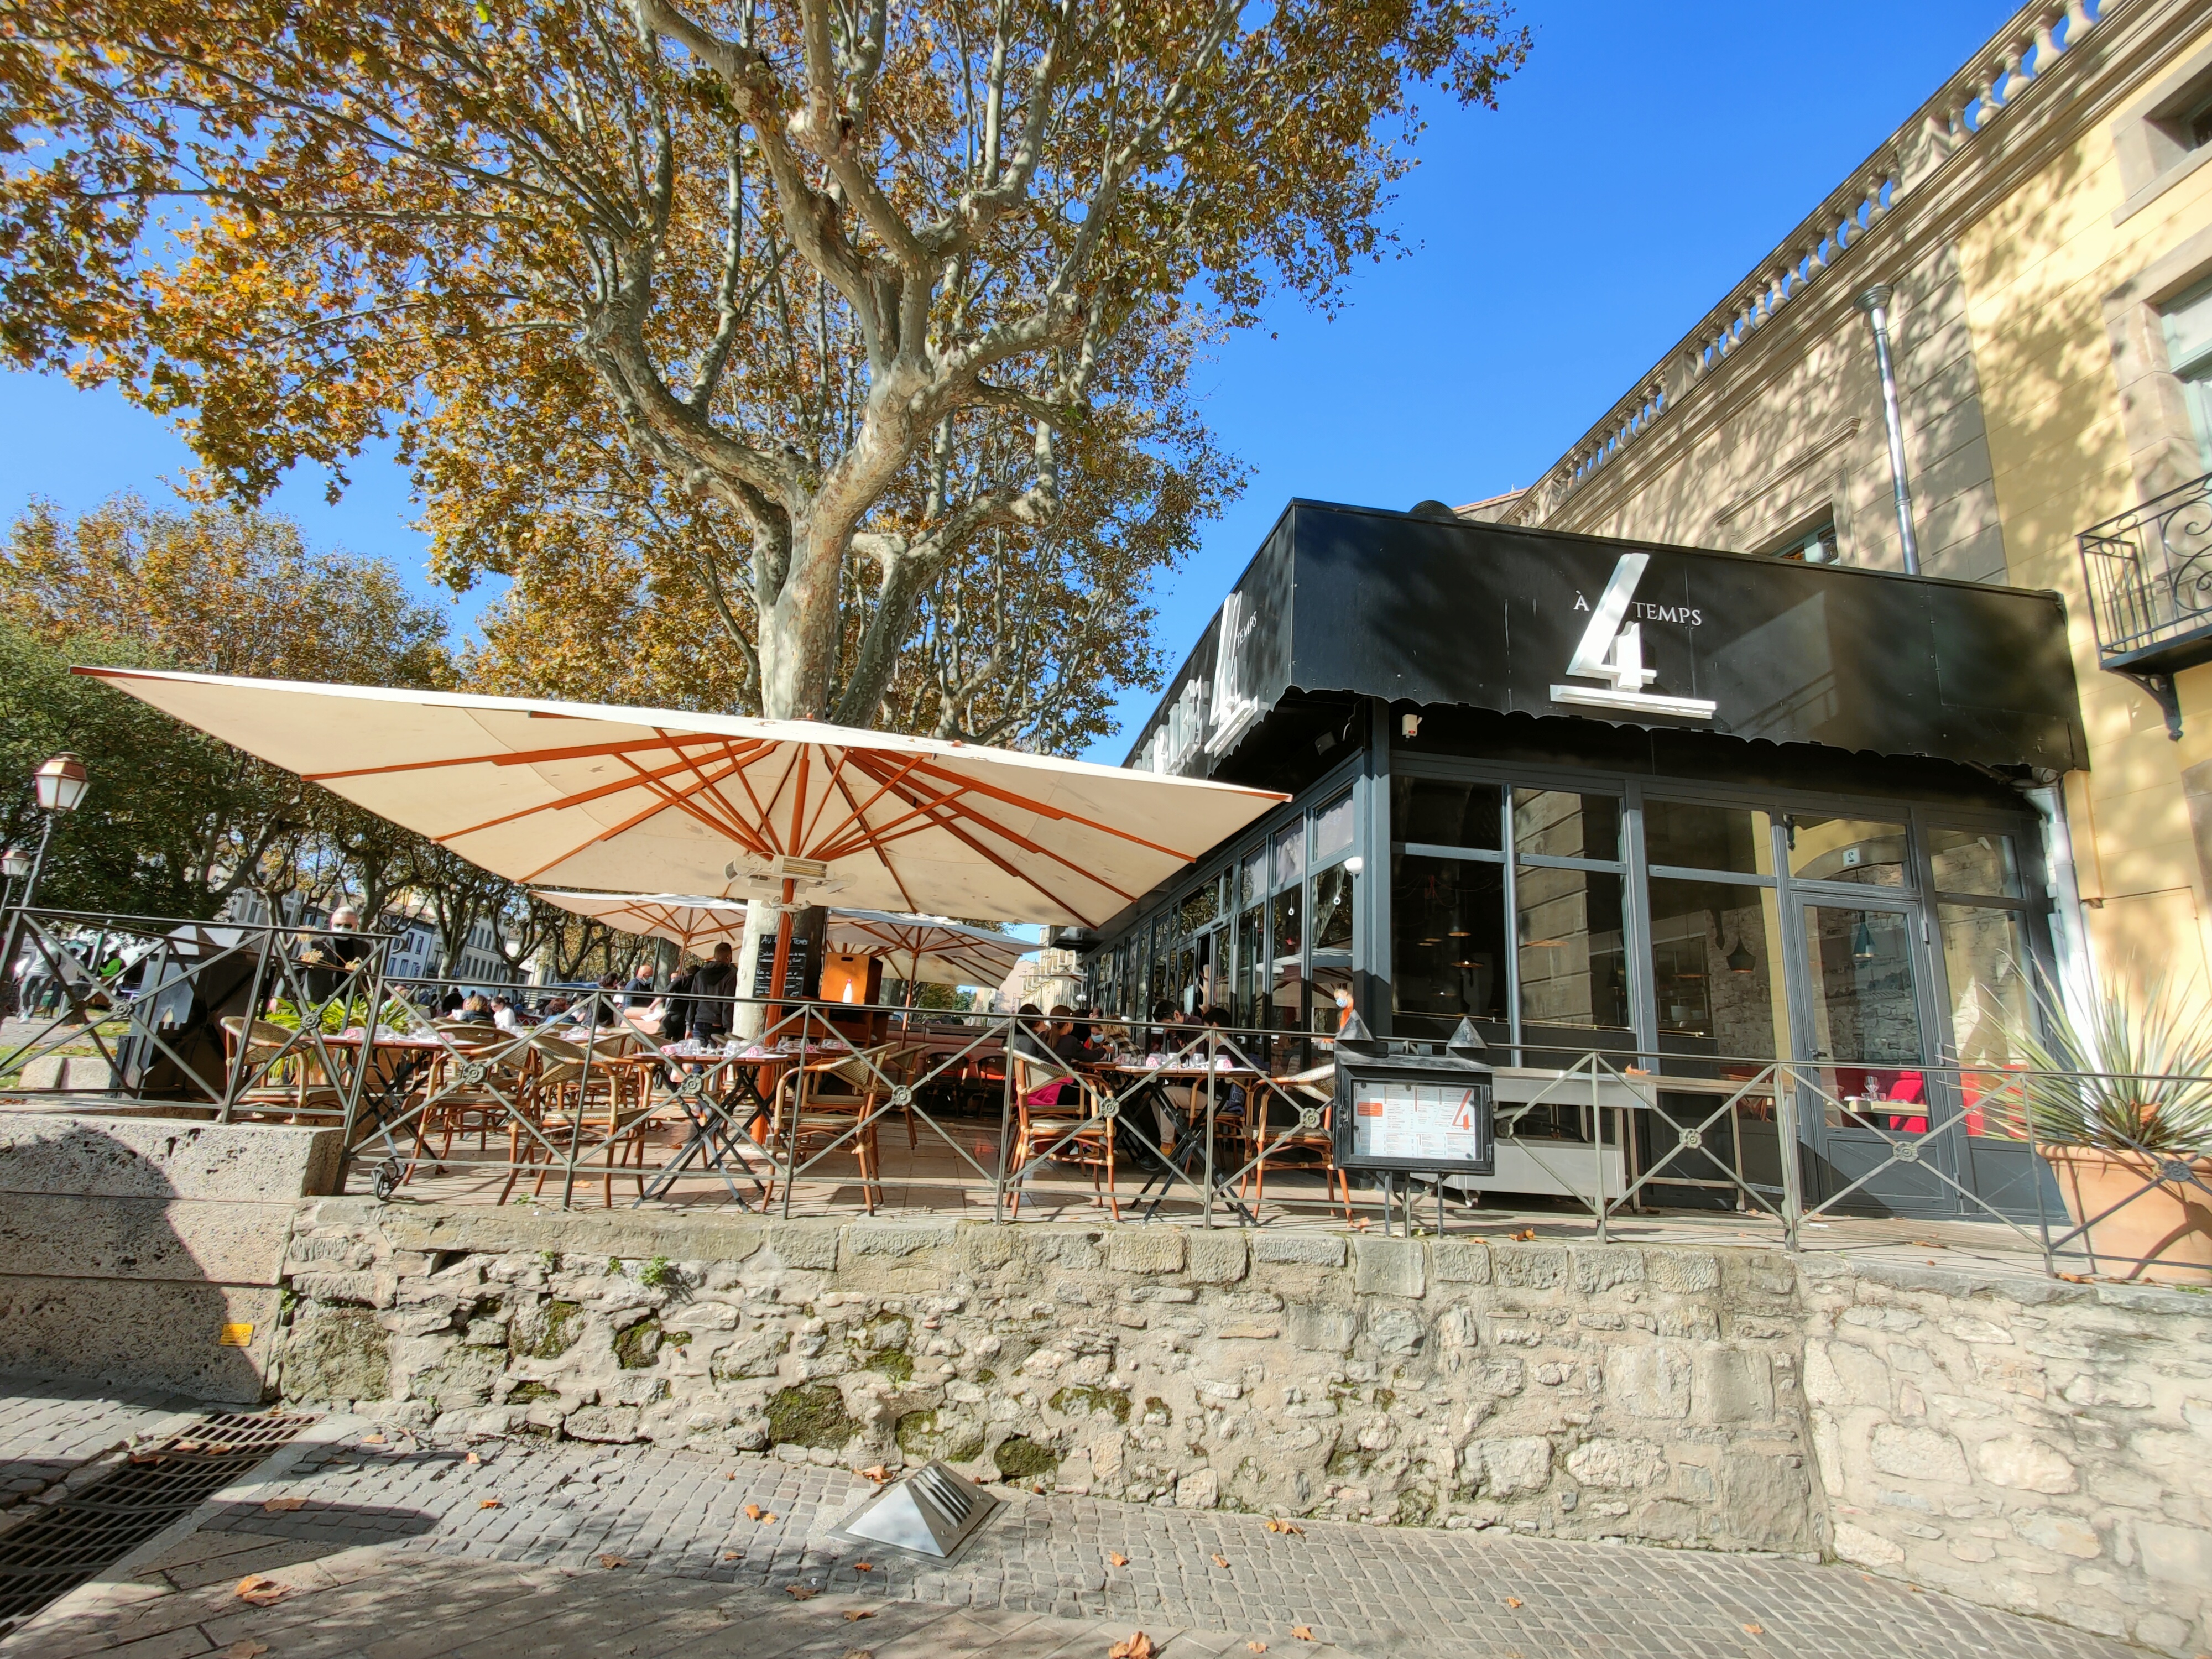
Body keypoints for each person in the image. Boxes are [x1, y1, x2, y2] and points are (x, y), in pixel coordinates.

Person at [298, 905, 373, 1005]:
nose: (342, 929)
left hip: (347, 1002)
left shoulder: (363, 947)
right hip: (317, 1002)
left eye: (347, 926)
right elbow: (295, 968)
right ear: (331, 924)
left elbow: (365, 977)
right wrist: (279, 996)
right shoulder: (315, 943)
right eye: (338, 925)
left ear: (355, 926)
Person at [690, 942, 738, 1045]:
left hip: (699, 1020)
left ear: (715, 956)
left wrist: (689, 1025)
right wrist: (728, 1028)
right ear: (729, 957)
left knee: (698, 1053)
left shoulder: (700, 974)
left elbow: (692, 1000)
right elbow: (728, 1003)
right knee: (716, 1054)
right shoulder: (730, 975)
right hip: (717, 1023)